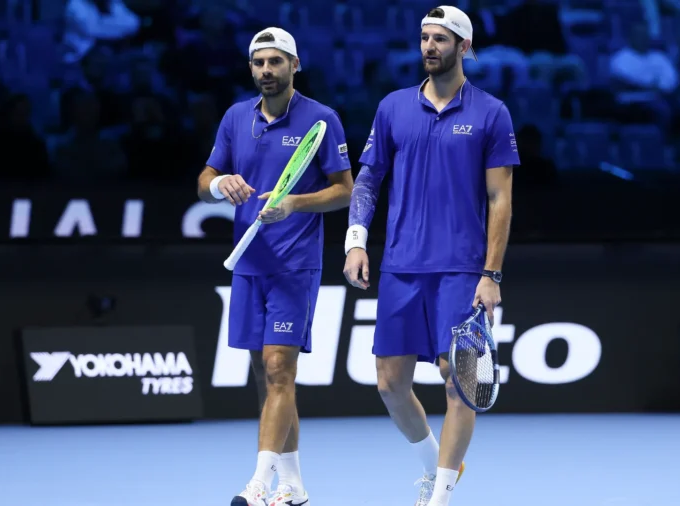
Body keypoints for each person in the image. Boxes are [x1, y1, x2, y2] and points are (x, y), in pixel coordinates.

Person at [342, 6, 520, 506]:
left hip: (462, 270)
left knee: (458, 381)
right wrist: (356, 239)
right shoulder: (393, 107)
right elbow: (370, 179)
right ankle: (436, 465)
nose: (429, 47)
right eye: (424, 38)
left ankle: (439, 495)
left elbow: (500, 199)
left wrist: (492, 273)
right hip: (401, 266)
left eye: (440, 39)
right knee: (389, 383)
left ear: (464, 48)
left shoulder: (491, 112)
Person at [196, 27, 353, 506]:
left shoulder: (321, 119)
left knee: (279, 368)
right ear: (251, 68)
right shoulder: (234, 117)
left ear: (294, 65)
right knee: (266, 379)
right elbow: (203, 181)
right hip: (248, 264)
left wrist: (295, 204)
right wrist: (221, 184)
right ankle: (296, 486)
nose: (267, 70)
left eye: (276, 62)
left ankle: (258, 483)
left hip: (294, 265)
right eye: (259, 63)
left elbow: (345, 189)